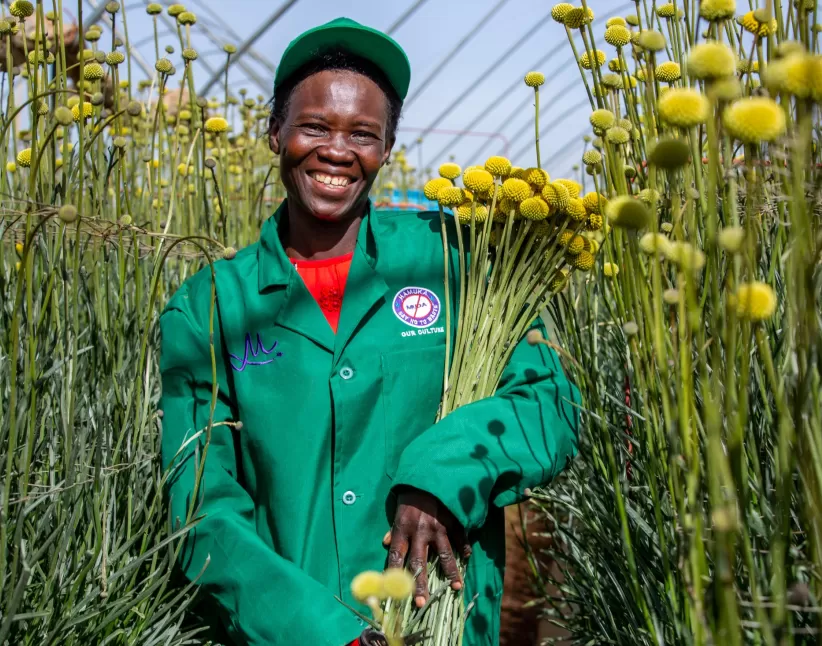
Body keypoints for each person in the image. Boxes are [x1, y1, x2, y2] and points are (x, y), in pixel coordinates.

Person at [159, 17, 579, 646]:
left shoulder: (452, 265)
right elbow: (201, 507)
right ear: (275, 133)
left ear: (385, 148)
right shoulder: (213, 307)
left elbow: (550, 402)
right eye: (313, 127)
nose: (337, 151)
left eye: (363, 133)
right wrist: (321, 632)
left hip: (447, 625)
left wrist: (441, 474)